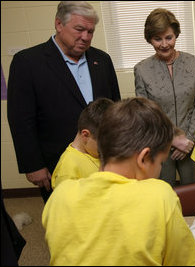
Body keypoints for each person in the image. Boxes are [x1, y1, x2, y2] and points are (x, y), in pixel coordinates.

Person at [42, 97, 195, 266]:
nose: (160, 169)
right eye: (160, 163)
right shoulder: (160, 196)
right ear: (143, 158)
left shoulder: (60, 196)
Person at [7, 1, 121, 202]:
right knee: (67, 217)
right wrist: (33, 165)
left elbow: (116, 108)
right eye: (79, 29)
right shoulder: (27, 62)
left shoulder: (102, 60)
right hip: (56, 162)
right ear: (59, 24)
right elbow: (21, 119)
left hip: (103, 157)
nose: (85, 37)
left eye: (90, 31)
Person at [134, 8, 195, 187]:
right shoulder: (142, 70)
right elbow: (145, 113)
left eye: (169, 37)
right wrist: (171, 140)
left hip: (191, 143)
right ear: (150, 39)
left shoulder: (194, 63)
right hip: (160, 145)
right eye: (157, 39)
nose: (164, 44)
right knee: (164, 193)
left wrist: (188, 140)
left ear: (176, 35)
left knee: (193, 194)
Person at [51, 98, 114, 189]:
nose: (108, 147)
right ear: (85, 135)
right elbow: (67, 202)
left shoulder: (95, 153)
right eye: (104, 143)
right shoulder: (67, 170)